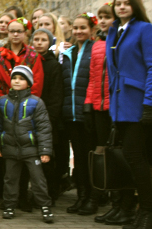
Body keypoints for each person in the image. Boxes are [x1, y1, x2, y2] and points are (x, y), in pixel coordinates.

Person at [86, 4, 136, 225]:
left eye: (108, 17)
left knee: (123, 156)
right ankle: (116, 204)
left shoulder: (120, 42)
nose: (104, 21)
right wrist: (89, 103)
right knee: (106, 154)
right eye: (101, 17)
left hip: (119, 107)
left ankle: (126, 205)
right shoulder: (97, 45)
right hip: (99, 106)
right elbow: (94, 77)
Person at [105, 0, 152, 227]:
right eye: (118, 4)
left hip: (138, 103)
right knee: (130, 159)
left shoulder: (144, 29)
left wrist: (149, 104)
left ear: (135, 6)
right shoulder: (113, 31)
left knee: (136, 158)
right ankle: (130, 209)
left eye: (126, 4)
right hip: (119, 105)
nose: (121, 7)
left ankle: (146, 210)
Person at [0, 65, 54, 223]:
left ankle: (45, 207)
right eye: (14, 78)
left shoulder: (36, 103)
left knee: (38, 180)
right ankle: (9, 205)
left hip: (31, 150)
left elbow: (44, 128)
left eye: (21, 79)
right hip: (10, 149)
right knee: (10, 179)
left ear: (29, 83)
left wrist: (45, 150)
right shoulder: (3, 102)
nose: (17, 81)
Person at [61, 12, 96, 215]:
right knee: (79, 160)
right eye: (76, 28)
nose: (78, 31)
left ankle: (93, 197)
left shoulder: (96, 50)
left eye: (83, 28)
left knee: (89, 157)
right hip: (71, 113)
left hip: (88, 113)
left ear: (91, 30)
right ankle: (81, 196)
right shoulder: (68, 53)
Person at [30, 28, 66, 204]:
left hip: (47, 118)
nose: (39, 43)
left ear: (50, 42)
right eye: (36, 39)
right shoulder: (29, 62)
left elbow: (56, 95)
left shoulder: (53, 65)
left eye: (43, 40)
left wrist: (48, 118)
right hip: (29, 116)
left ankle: (50, 193)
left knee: (46, 158)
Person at [0, 17, 44, 103]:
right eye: (12, 31)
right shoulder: (0, 56)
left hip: (27, 106)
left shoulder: (32, 55)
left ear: (25, 33)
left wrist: (28, 104)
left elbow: (37, 84)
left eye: (19, 31)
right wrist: (3, 103)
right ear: (8, 33)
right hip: (5, 105)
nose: (15, 34)